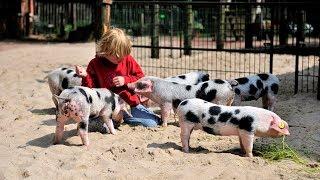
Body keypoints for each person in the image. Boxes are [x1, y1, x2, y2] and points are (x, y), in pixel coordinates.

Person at [75, 28, 161, 128]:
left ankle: (127, 118)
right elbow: (90, 90)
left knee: (152, 123)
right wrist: (85, 76)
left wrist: (126, 80)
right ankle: (117, 120)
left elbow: (140, 78)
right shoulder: (95, 64)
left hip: (130, 105)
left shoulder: (127, 59)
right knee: (97, 124)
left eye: (123, 55)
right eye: (117, 56)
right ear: (105, 50)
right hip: (108, 107)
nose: (120, 58)